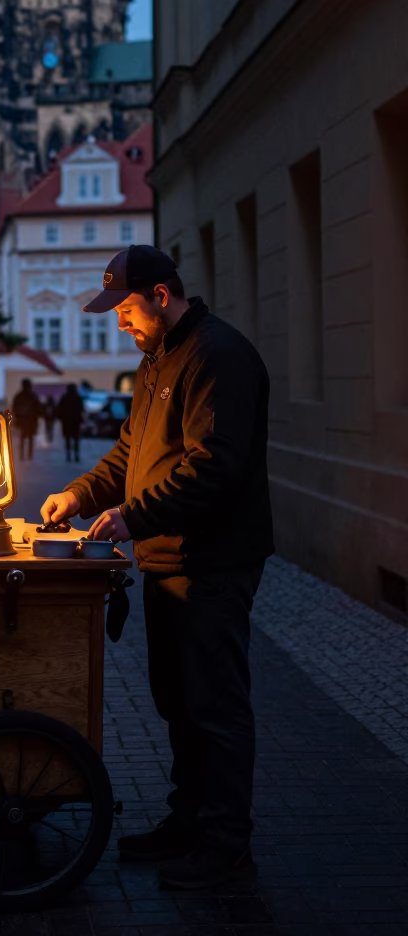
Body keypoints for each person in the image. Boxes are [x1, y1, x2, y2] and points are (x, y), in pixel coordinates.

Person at [40, 244, 274, 890]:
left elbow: (213, 469)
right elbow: (129, 453)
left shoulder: (217, 357)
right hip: (166, 560)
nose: (120, 320)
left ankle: (225, 846)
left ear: (162, 297)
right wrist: (82, 494)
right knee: (177, 701)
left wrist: (131, 519)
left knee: (215, 707)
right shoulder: (156, 360)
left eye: (127, 308)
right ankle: (187, 822)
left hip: (212, 562)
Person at [11, 378, 41, 460]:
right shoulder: (32, 396)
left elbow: (14, 409)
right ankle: (27, 455)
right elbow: (38, 409)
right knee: (27, 438)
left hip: (25, 421)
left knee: (23, 438)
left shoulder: (20, 396)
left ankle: (24, 455)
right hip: (28, 421)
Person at [55, 383, 83, 462]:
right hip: (74, 421)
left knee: (68, 439)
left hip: (67, 421)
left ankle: (69, 455)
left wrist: (61, 418)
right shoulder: (77, 397)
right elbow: (81, 409)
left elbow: (59, 409)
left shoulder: (65, 398)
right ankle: (75, 455)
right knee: (75, 439)